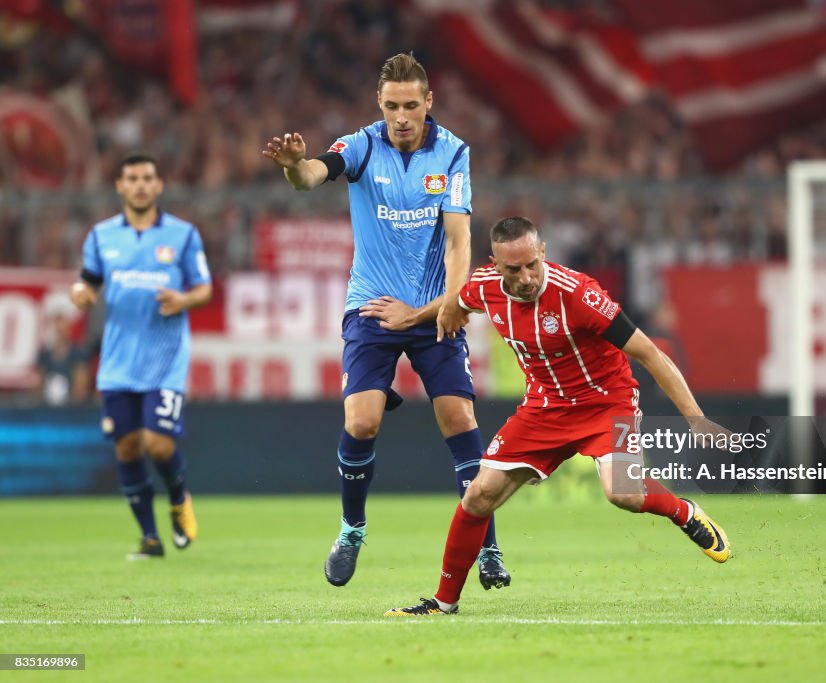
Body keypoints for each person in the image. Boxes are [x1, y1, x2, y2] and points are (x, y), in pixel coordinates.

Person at [384, 216, 731, 616]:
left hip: (608, 403)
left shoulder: (579, 295)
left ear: (543, 252)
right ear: (496, 266)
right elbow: (457, 302)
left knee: (623, 492)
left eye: (532, 263)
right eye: (514, 269)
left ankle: (684, 511)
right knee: (478, 495)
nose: (527, 276)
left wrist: (696, 419)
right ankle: (443, 604)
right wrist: (420, 316)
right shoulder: (484, 287)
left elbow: (649, 353)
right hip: (544, 409)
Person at [261, 52, 510, 589]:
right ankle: (352, 528)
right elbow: (310, 177)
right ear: (379, 103)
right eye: (392, 105)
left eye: (411, 105)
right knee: (361, 421)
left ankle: (488, 548)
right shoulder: (360, 146)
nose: (401, 115)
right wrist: (293, 166)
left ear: (428, 103)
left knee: (459, 421)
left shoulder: (452, 153)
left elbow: (460, 240)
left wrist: (450, 303)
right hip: (372, 307)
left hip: (432, 309)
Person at [70, 153, 211, 560]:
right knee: (127, 448)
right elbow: (88, 282)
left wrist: (183, 299)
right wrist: (81, 294)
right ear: (120, 186)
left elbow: (203, 288)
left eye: (148, 177)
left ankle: (178, 497)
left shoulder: (182, 235)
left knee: (159, 445)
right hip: (117, 362)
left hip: (165, 358)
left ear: (159, 185)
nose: (140, 185)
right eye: (132, 178)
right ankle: (150, 539)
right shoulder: (101, 236)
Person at [35, 297, 90, 406]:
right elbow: (38, 384)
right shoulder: (44, 354)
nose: (59, 327)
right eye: (56, 322)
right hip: (47, 407)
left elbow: (81, 387)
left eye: (62, 322)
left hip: (71, 409)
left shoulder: (78, 353)